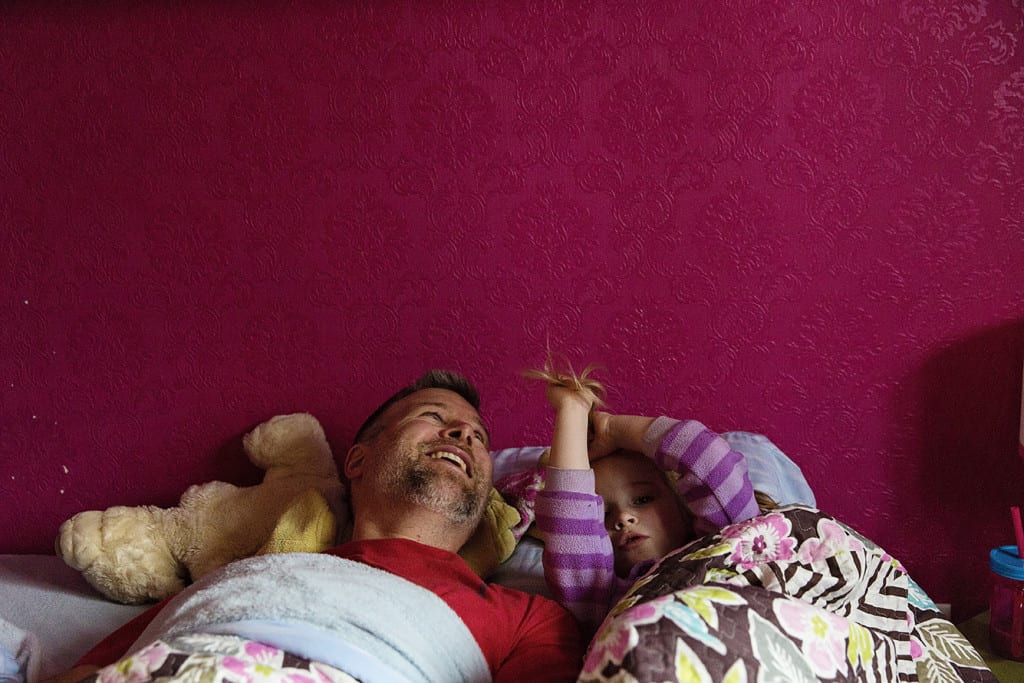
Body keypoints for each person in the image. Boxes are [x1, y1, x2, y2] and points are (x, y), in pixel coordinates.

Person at [46, 370, 585, 683]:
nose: (464, 434)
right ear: (356, 462)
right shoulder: (248, 577)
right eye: (435, 417)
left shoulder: (528, 618)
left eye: (478, 437)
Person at [528, 361, 762, 635]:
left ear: (681, 505)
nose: (623, 518)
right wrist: (572, 410)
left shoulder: (729, 542)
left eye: (642, 500)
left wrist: (612, 430)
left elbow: (710, 459)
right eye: (601, 515)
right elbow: (568, 518)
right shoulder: (598, 595)